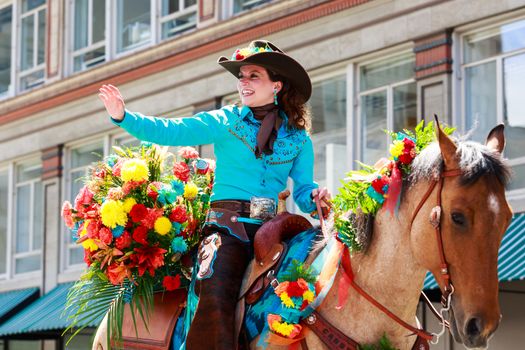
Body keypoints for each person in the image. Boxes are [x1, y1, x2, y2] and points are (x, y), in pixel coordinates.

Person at [98, 40, 331, 349]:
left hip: (274, 232)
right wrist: (123, 117)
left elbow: (303, 190)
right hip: (227, 229)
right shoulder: (226, 121)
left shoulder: (299, 139)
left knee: (314, 283)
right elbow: (171, 130)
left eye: (253, 76)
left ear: (277, 84)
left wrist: (317, 198)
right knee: (216, 299)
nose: (243, 83)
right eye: (241, 76)